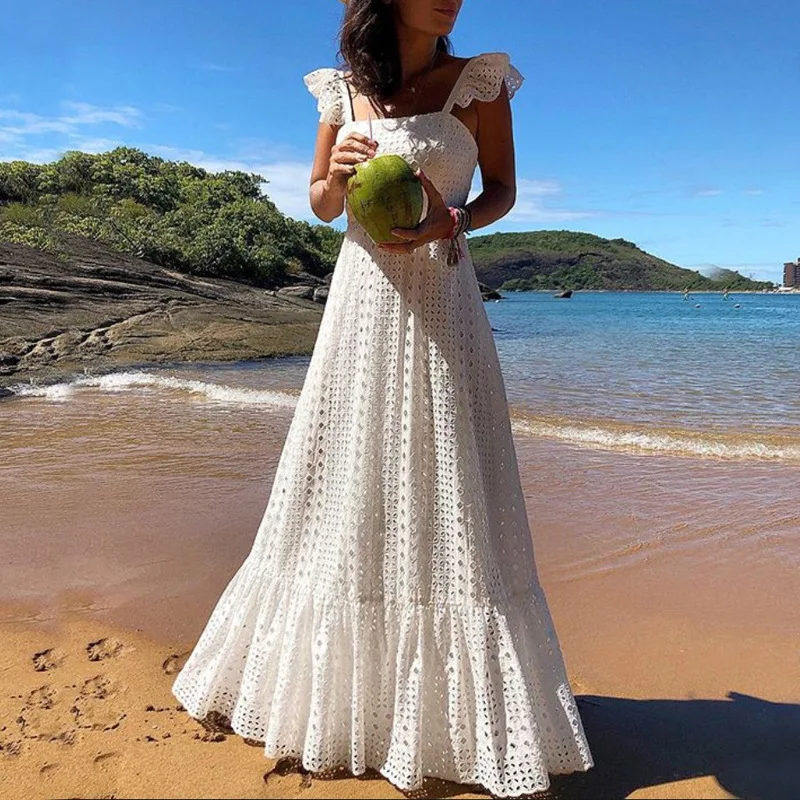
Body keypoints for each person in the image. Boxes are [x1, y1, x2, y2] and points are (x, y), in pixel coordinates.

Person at [171, 0, 595, 796]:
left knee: (451, 491)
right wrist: (331, 177)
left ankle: (452, 718)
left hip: (444, 299)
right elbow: (322, 204)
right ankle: (339, 698)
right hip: (361, 305)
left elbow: (502, 189)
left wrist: (454, 220)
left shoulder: (481, 83)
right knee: (346, 484)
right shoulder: (342, 90)